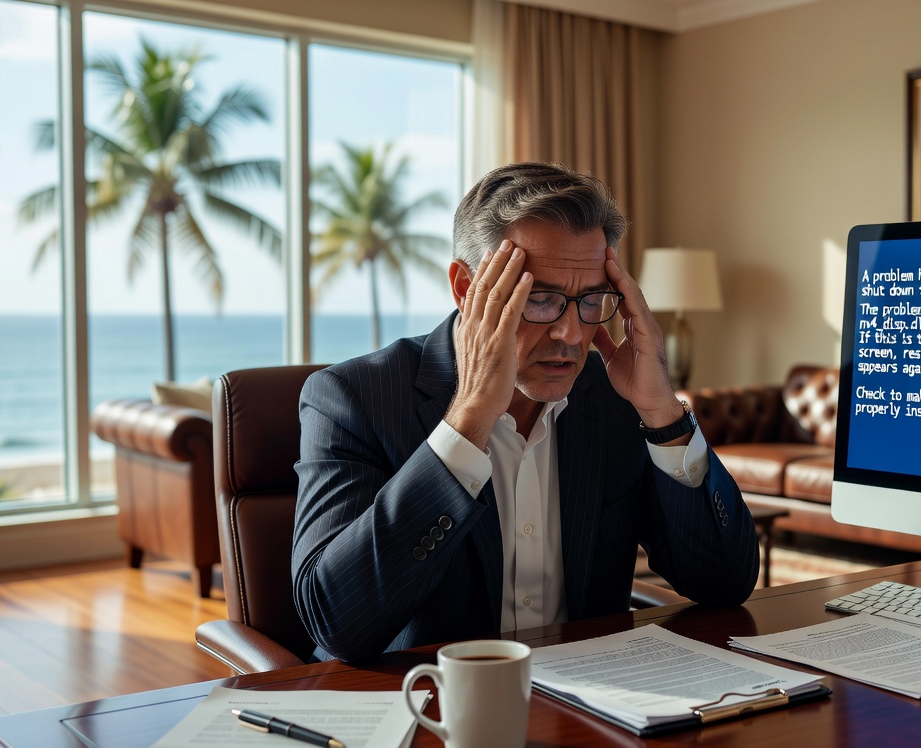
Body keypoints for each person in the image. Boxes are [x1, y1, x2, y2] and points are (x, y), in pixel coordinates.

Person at [293, 161, 759, 662]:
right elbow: (336, 622)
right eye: (540, 299)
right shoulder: (350, 398)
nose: (572, 334)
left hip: (596, 710)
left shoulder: (617, 400)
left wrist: (661, 410)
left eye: (591, 300)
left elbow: (723, 583)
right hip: (425, 711)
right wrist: (468, 422)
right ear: (466, 288)